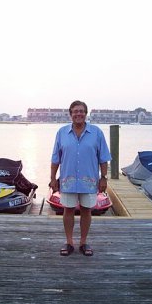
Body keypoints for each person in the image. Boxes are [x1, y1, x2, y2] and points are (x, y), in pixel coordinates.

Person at [50, 100, 111, 256]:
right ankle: (69, 242)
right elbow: (56, 158)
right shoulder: (61, 133)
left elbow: (103, 158)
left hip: (89, 180)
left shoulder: (96, 133)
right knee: (68, 210)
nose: (79, 114)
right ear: (70, 114)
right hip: (68, 180)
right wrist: (52, 178)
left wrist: (103, 178)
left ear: (86, 113)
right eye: (75, 111)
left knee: (86, 210)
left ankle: (83, 242)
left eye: (81, 111)